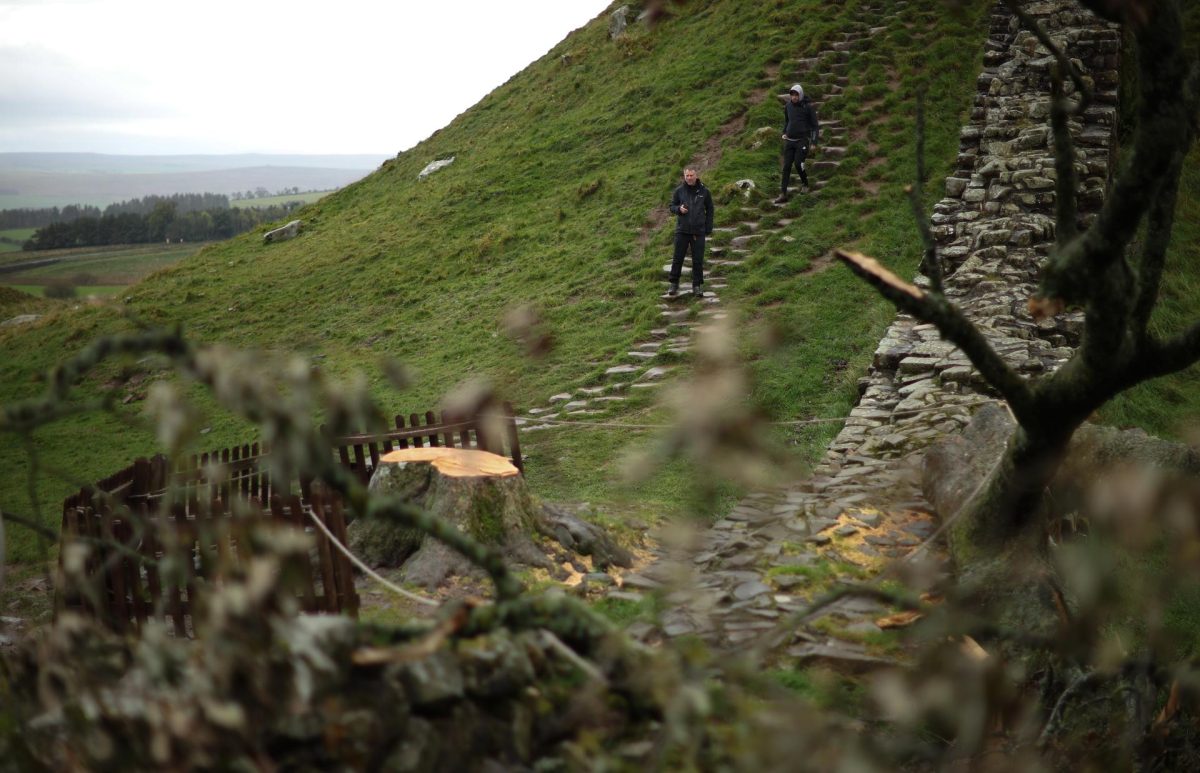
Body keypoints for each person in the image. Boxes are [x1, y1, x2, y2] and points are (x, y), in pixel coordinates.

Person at [667, 167, 714, 298]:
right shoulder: (679, 191)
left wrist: (708, 227)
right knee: (677, 258)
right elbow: (671, 206)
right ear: (684, 175)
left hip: (698, 231)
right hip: (682, 230)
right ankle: (673, 284)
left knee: (698, 260)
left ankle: (697, 286)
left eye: (691, 175)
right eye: (686, 175)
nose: (688, 178)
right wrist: (678, 209)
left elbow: (710, 209)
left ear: (696, 175)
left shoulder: (704, 191)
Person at [776, 84, 820, 204]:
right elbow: (787, 121)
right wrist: (784, 132)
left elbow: (815, 126)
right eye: (792, 95)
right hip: (789, 141)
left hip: (803, 140)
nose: (794, 97)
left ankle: (805, 184)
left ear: (800, 95)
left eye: (796, 95)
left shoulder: (808, 107)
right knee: (786, 167)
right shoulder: (788, 106)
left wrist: (814, 142)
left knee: (798, 164)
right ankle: (783, 194)